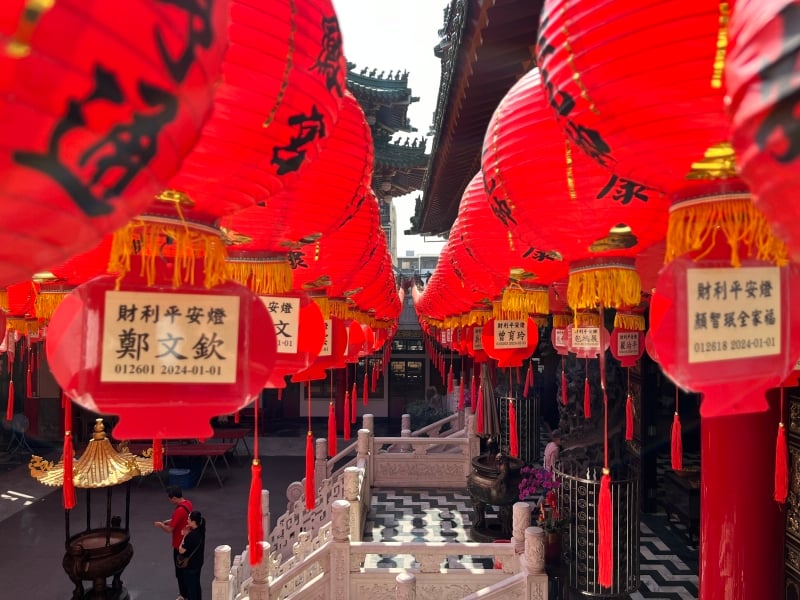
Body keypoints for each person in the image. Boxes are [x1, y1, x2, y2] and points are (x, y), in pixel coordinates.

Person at [154, 486, 193, 600]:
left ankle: (183, 595)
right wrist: (169, 521)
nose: (169, 501)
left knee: (180, 572)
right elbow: (179, 519)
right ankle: (187, 592)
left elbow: (170, 529)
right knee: (186, 570)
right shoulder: (188, 504)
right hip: (187, 541)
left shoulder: (179, 510)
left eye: (170, 499)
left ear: (175, 498)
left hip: (179, 544)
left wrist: (161, 525)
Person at [178, 511, 206, 600]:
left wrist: (185, 536)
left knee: (191, 588)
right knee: (196, 584)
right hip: (198, 562)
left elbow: (181, 550)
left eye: (189, 519)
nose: (187, 521)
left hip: (190, 565)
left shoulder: (191, 536)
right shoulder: (201, 530)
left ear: (194, 522)